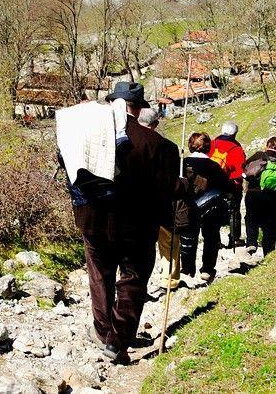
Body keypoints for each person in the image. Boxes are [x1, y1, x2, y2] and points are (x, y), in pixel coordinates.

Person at [62, 81, 178, 364]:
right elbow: (166, 191)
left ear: (113, 102)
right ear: (138, 109)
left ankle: (103, 331)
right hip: (137, 226)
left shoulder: (84, 136)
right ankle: (118, 340)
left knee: (99, 276)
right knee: (133, 280)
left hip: (93, 222)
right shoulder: (158, 145)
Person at [178, 132, 233, 282]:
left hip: (187, 206)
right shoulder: (214, 166)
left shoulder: (182, 163)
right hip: (211, 207)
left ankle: (187, 270)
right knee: (211, 238)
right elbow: (227, 187)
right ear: (209, 147)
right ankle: (207, 270)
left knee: (188, 238)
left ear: (190, 146)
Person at [210, 122, 247, 247]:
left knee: (212, 212)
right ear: (235, 133)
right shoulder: (237, 149)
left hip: (211, 185)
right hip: (230, 185)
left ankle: (215, 240)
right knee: (234, 210)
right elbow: (240, 170)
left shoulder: (211, 144)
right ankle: (234, 239)